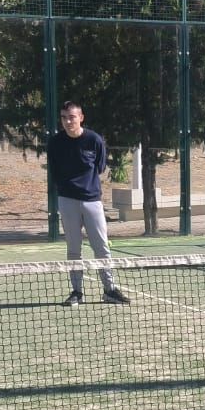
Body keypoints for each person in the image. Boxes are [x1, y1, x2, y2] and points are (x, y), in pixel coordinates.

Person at [49, 101, 128, 306]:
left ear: (81, 117)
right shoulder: (55, 142)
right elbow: (54, 171)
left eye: (72, 117)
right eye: (64, 117)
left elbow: (100, 167)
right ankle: (76, 292)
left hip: (92, 201)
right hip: (67, 201)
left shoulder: (94, 140)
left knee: (101, 247)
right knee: (74, 250)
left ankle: (109, 290)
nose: (67, 121)